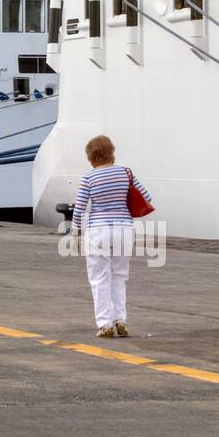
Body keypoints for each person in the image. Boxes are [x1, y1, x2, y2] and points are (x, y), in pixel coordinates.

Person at [70, 135, 152, 340]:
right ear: (111, 153)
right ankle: (120, 320)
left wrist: (74, 232)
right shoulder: (126, 173)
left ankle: (105, 323)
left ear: (91, 156)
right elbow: (146, 197)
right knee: (119, 276)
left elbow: (79, 209)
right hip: (124, 229)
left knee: (99, 278)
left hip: (99, 230)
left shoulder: (89, 178)